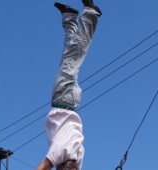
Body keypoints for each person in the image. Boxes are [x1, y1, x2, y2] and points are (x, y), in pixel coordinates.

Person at [36, 1, 101, 170]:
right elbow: (43, 166)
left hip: (69, 101)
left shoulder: (78, 158)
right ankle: (91, 15)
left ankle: (69, 18)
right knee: (75, 53)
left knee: (68, 55)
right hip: (62, 98)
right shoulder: (61, 151)